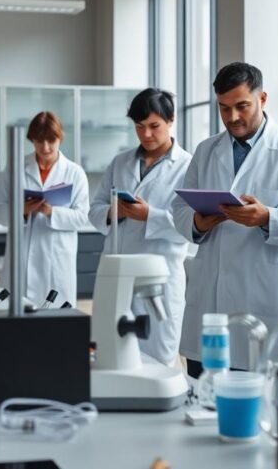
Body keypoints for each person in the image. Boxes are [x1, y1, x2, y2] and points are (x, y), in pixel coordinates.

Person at [172, 62, 278, 376]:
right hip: (209, 304)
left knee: (257, 405)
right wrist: (198, 223)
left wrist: (267, 218)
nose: (232, 117)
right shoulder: (206, 150)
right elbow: (178, 209)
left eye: (242, 106)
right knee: (202, 399)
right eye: (224, 108)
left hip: (262, 300)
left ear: (262, 99)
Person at [88, 88, 192, 365]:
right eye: (139, 127)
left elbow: (191, 224)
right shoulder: (120, 162)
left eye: (154, 126)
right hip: (116, 273)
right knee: (111, 353)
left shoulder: (188, 166)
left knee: (159, 359)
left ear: (171, 120)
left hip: (159, 279)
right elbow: (95, 209)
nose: (146, 134)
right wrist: (114, 211)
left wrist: (149, 215)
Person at [0, 112, 90, 306]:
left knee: (56, 325)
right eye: (39, 141)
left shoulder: (74, 172)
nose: (45, 147)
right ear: (32, 140)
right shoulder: (15, 168)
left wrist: (51, 212)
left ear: (60, 137)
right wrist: (21, 210)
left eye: (51, 140)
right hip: (21, 261)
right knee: (17, 324)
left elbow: (82, 218)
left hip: (57, 263)